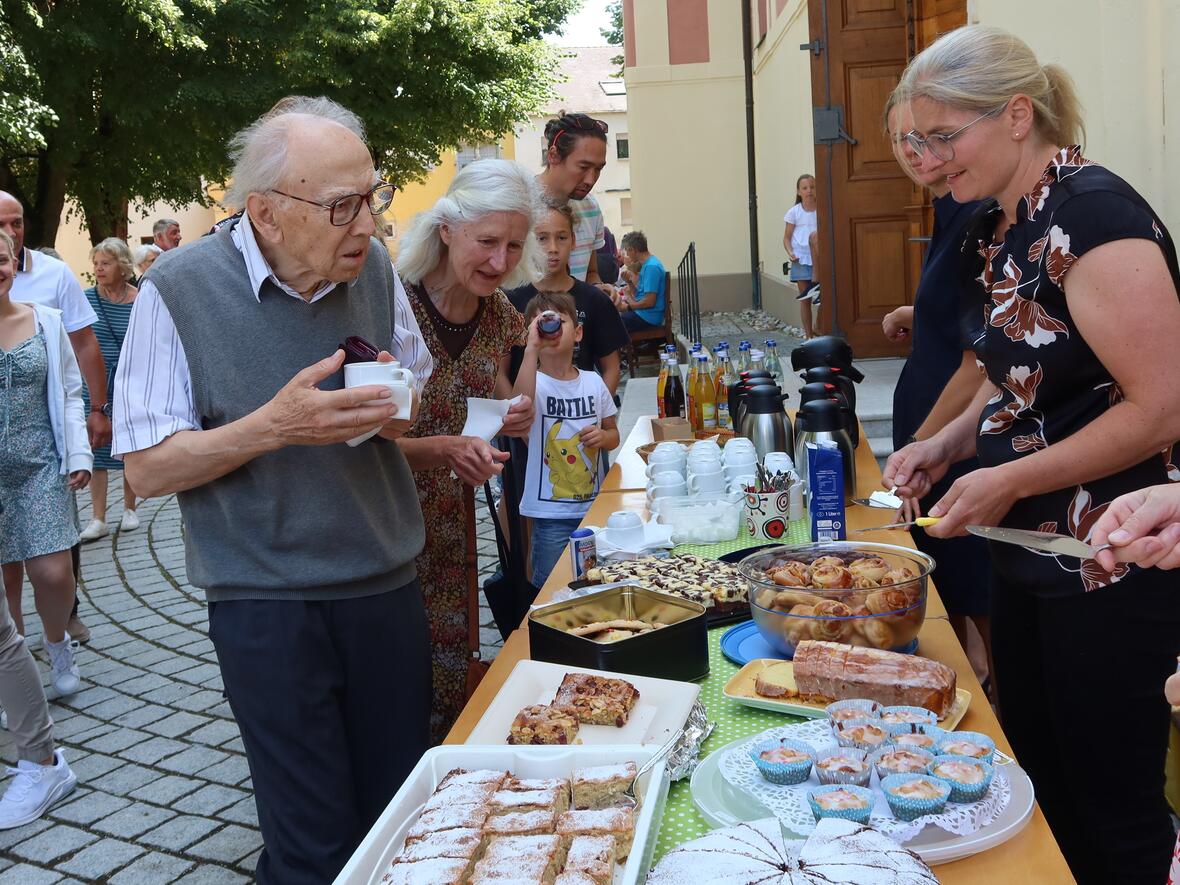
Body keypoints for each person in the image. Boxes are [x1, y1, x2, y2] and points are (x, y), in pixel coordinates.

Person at [882, 25, 1180, 884]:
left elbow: (1162, 407)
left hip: (1113, 557)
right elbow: (1009, 372)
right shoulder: (1000, 220)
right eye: (916, 141)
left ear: (1018, 115)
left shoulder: (1093, 215)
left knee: (1111, 805)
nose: (928, 161)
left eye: (943, 137)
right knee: (1039, 776)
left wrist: (1005, 475)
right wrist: (945, 443)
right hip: (1028, 551)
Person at [112, 96, 432, 884]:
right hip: (265, 603)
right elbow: (146, 468)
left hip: (385, 585)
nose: (370, 225)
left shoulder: (375, 269)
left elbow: (412, 393)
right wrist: (277, 424)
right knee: (312, 844)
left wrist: (386, 406)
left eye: (374, 197)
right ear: (266, 212)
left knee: (400, 816)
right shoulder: (179, 289)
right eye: (342, 206)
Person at [396, 158, 536, 742]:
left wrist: (515, 414)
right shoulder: (393, 305)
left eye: (513, 246)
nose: (500, 262)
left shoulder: (499, 313)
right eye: (487, 242)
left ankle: (449, 775)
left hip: (453, 525)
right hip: (386, 523)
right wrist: (446, 450)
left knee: (455, 664)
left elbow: (506, 407)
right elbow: (350, 443)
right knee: (398, 671)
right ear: (447, 228)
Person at [881, 97, 994, 688]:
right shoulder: (949, 206)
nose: (915, 152)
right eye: (904, 139)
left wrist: (927, 445)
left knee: (976, 601)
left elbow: (981, 362)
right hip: (935, 440)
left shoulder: (983, 211)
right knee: (954, 593)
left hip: (957, 440)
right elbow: (956, 311)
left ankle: (994, 722)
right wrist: (917, 312)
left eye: (930, 137)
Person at [0, 189, 108, 645]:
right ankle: (15, 664)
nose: (10, 232)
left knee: (53, 563)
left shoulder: (51, 276)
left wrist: (98, 411)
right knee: (7, 573)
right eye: (0, 224)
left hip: (43, 453)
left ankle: (63, 625)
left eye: (17, 222)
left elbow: (82, 346)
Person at [0, 229, 81, 826]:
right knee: (7, 592)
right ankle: (20, 672)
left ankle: (57, 644)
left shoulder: (44, 320)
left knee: (51, 570)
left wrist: (80, 455)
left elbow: (72, 391)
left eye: (0, 261)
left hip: (39, 466)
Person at [513, 292, 619, 585]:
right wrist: (530, 349)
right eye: (542, 322)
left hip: (594, 509)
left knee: (595, 581)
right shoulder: (536, 383)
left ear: (579, 333)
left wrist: (602, 436)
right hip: (550, 515)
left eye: (559, 320)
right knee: (550, 586)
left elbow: (613, 434)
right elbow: (520, 404)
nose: (551, 328)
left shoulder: (593, 381)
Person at [507, 200, 628, 395]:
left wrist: (596, 410)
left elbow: (612, 367)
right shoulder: (510, 301)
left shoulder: (595, 300)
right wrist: (515, 415)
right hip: (528, 418)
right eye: (542, 238)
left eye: (561, 238)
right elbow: (500, 373)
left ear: (573, 241)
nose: (553, 248)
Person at [78, 238, 140, 541]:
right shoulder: (86, 299)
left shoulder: (139, 299)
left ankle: (130, 508)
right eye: (96, 263)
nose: (99, 268)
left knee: (128, 447)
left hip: (129, 383)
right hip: (95, 385)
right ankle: (98, 517)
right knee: (96, 450)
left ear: (123, 266)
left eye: (106, 263)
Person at [538, 113, 609, 285]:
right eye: (583, 167)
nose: (591, 180)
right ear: (553, 156)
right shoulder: (516, 206)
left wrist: (599, 289)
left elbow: (591, 273)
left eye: (598, 169)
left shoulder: (590, 207)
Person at [784, 174, 819, 339]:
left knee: (823, 298)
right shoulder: (794, 212)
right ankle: (808, 335)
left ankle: (820, 330)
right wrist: (791, 253)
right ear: (799, 192)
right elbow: (786, 238)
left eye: (812, 187)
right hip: (801, 258)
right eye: (805, 188)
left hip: (818, 258)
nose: (809, 191)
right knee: (805, 300)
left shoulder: (822, 209)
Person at [614, 230, 666, 333]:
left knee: (610, 323)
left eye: (627, 251)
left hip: (648, 317)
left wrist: (628, 307)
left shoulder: (651, 267)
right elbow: (640, 296)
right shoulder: (648, 265)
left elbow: (649, 302)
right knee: (611, 318)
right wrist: (629, 282)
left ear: (633, 250)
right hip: (644, 314)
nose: (627, 255)